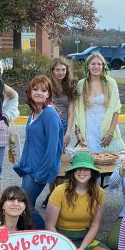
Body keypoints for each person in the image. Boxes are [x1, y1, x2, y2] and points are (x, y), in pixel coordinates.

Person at [45, 153, 116, 250]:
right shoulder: (60, 191)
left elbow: (95, 225)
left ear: (92, 172)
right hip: (62, 239)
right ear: (72, 172)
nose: (82, 172)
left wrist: (82, 249)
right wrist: (66, 248)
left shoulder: (99, 193)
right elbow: (50, 226)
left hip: (84, 237)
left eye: (86, 169)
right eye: (79, 169)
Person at [13, 75, 63, 229]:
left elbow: (52, 149)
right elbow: (30, 143)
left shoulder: (50, 114)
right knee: (28, 204)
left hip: (39, 171)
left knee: (24, 205)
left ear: (48, 94)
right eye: (35, 89)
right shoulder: (34, 113)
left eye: (44, 90)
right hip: (29, 168)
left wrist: (41, 174)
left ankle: (47, 234)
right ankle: (30, 238)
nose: (39, 93)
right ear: (30, 92)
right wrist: (22, 164)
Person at [41, 57, 78, 208]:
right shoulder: (46, 84)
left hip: (63, 125)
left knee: (61, 162)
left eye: (63, 69)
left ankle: (59, 195)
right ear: (52, 70)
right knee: (52, 161)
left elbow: (71, 111)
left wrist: (68, 132)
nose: (61, 72)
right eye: (58, 70)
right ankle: (52, 194)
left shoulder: (70, 85)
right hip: (49, 125)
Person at [74, 52, 124, 152]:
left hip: (106, 127)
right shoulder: (81, 84)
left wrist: (110, 133)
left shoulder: (110, 83)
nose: (96, 67)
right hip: (88, 128)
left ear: (103, 66)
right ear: (87, 66)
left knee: (109, 159)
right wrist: (77, 131)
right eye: (93, 64)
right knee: (90, 161)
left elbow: (116, 109)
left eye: (99, 64)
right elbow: (77, 110)